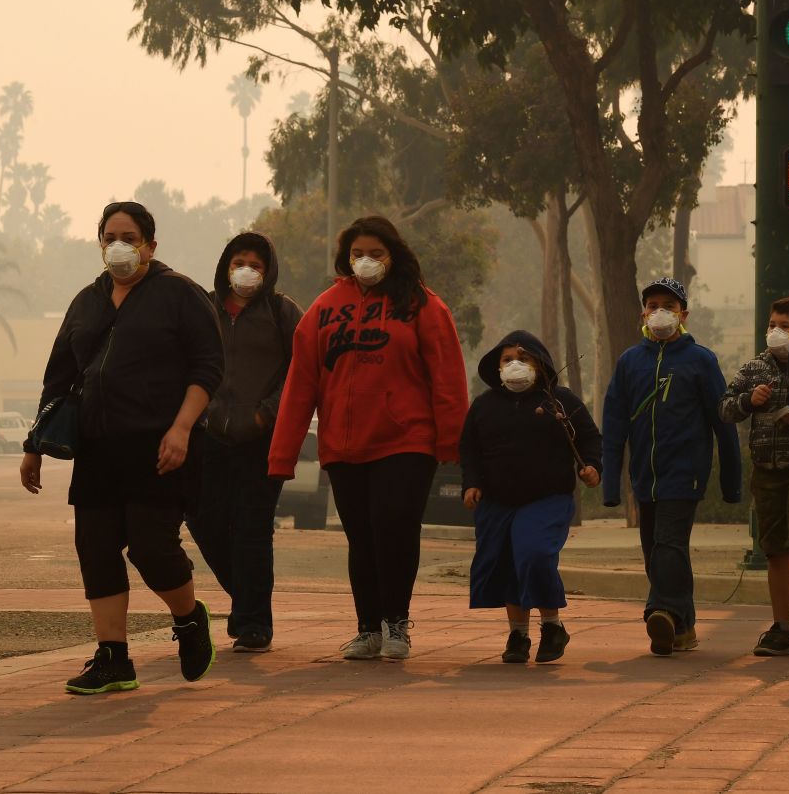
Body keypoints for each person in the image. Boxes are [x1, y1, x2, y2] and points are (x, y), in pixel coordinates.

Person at [20, 201, 224, 694]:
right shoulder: (87, 301)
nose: (119, 245)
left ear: (150, 246)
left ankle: (189, 617)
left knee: (152, 548)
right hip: (97, 448)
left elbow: (208, 369)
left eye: (129, 237)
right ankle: (113, 657)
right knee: (95, 546)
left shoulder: (180, 294)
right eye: (110, 235)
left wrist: (180, 430)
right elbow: (60, 378)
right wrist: (35, 445)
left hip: (159, 446)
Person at [268, 215, 468, 661]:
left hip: (407, 440)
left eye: (375, 253)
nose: (366, 261)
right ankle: (368, 629)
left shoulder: (423, 306)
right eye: (358, 253)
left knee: (394, 526)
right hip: (343, 444)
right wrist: (282, 456)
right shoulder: (323, 309)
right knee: (362, 537)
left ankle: (396, 624)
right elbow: (300, 386)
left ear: (393, 255)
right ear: (345, 258)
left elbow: (448, 378)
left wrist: (452, 443)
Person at [602, 277, 742, 657]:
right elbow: (614, 424)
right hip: (644, 477)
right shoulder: (630, 362)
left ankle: (660, 610)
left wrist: (732, 482)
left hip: (686, 472)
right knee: (657, 550)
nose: (660, 311)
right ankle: (683, 626)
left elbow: (723, 423)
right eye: (653, 304)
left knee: (669, 542)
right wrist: (611, 485)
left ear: (684, 314)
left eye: (669, 304)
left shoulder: (701, 360)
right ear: (642, 313)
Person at [186, 232, 303, 655]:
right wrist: (205, 410)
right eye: (239, 261)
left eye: (255, 263)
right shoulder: (205, 309)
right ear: (225, 265)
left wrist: (265, 414)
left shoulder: (282, 311)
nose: (246, 271)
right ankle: (247, 602)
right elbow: (189, 360)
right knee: (202, 518)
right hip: (209, 433)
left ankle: (253, 624)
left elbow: (301, 369)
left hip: (260, 439)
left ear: (268, 269)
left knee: (252, 529)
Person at [461, 330, 602, 664]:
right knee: (508, 562)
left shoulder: (560, 401)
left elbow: (589, 438)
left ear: (539, 364)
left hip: (547, 498)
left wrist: (592, 467)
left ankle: (552, 626)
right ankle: (518, 634)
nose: (515, 365)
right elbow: (470, 449)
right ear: (497, 368)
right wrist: (472, 483)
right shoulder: (484, 405)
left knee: (534, 554)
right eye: (507, 359)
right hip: (497, 502)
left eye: (523, 358)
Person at [720, 296, 789, 657]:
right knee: (776, 550)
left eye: (785, 326)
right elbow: (725, 407)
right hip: (766, 471)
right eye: (772, 325)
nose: (776, 332)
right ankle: (781, 629)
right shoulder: (755, 368)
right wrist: (749, 400)